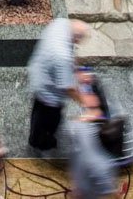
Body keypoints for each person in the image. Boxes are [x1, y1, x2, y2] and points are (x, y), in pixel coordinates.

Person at [28, 18, 88, 151]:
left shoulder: (61, 23)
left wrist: (76, 69)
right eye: (79, 40)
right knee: (48, 119)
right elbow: (69, 88)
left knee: (38, 111)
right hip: (48, 93)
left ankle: (37, 134)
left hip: (39, 74)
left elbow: (71, 53)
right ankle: (40, 142)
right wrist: (85, 101)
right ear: (77, 38)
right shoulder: (62, 56)